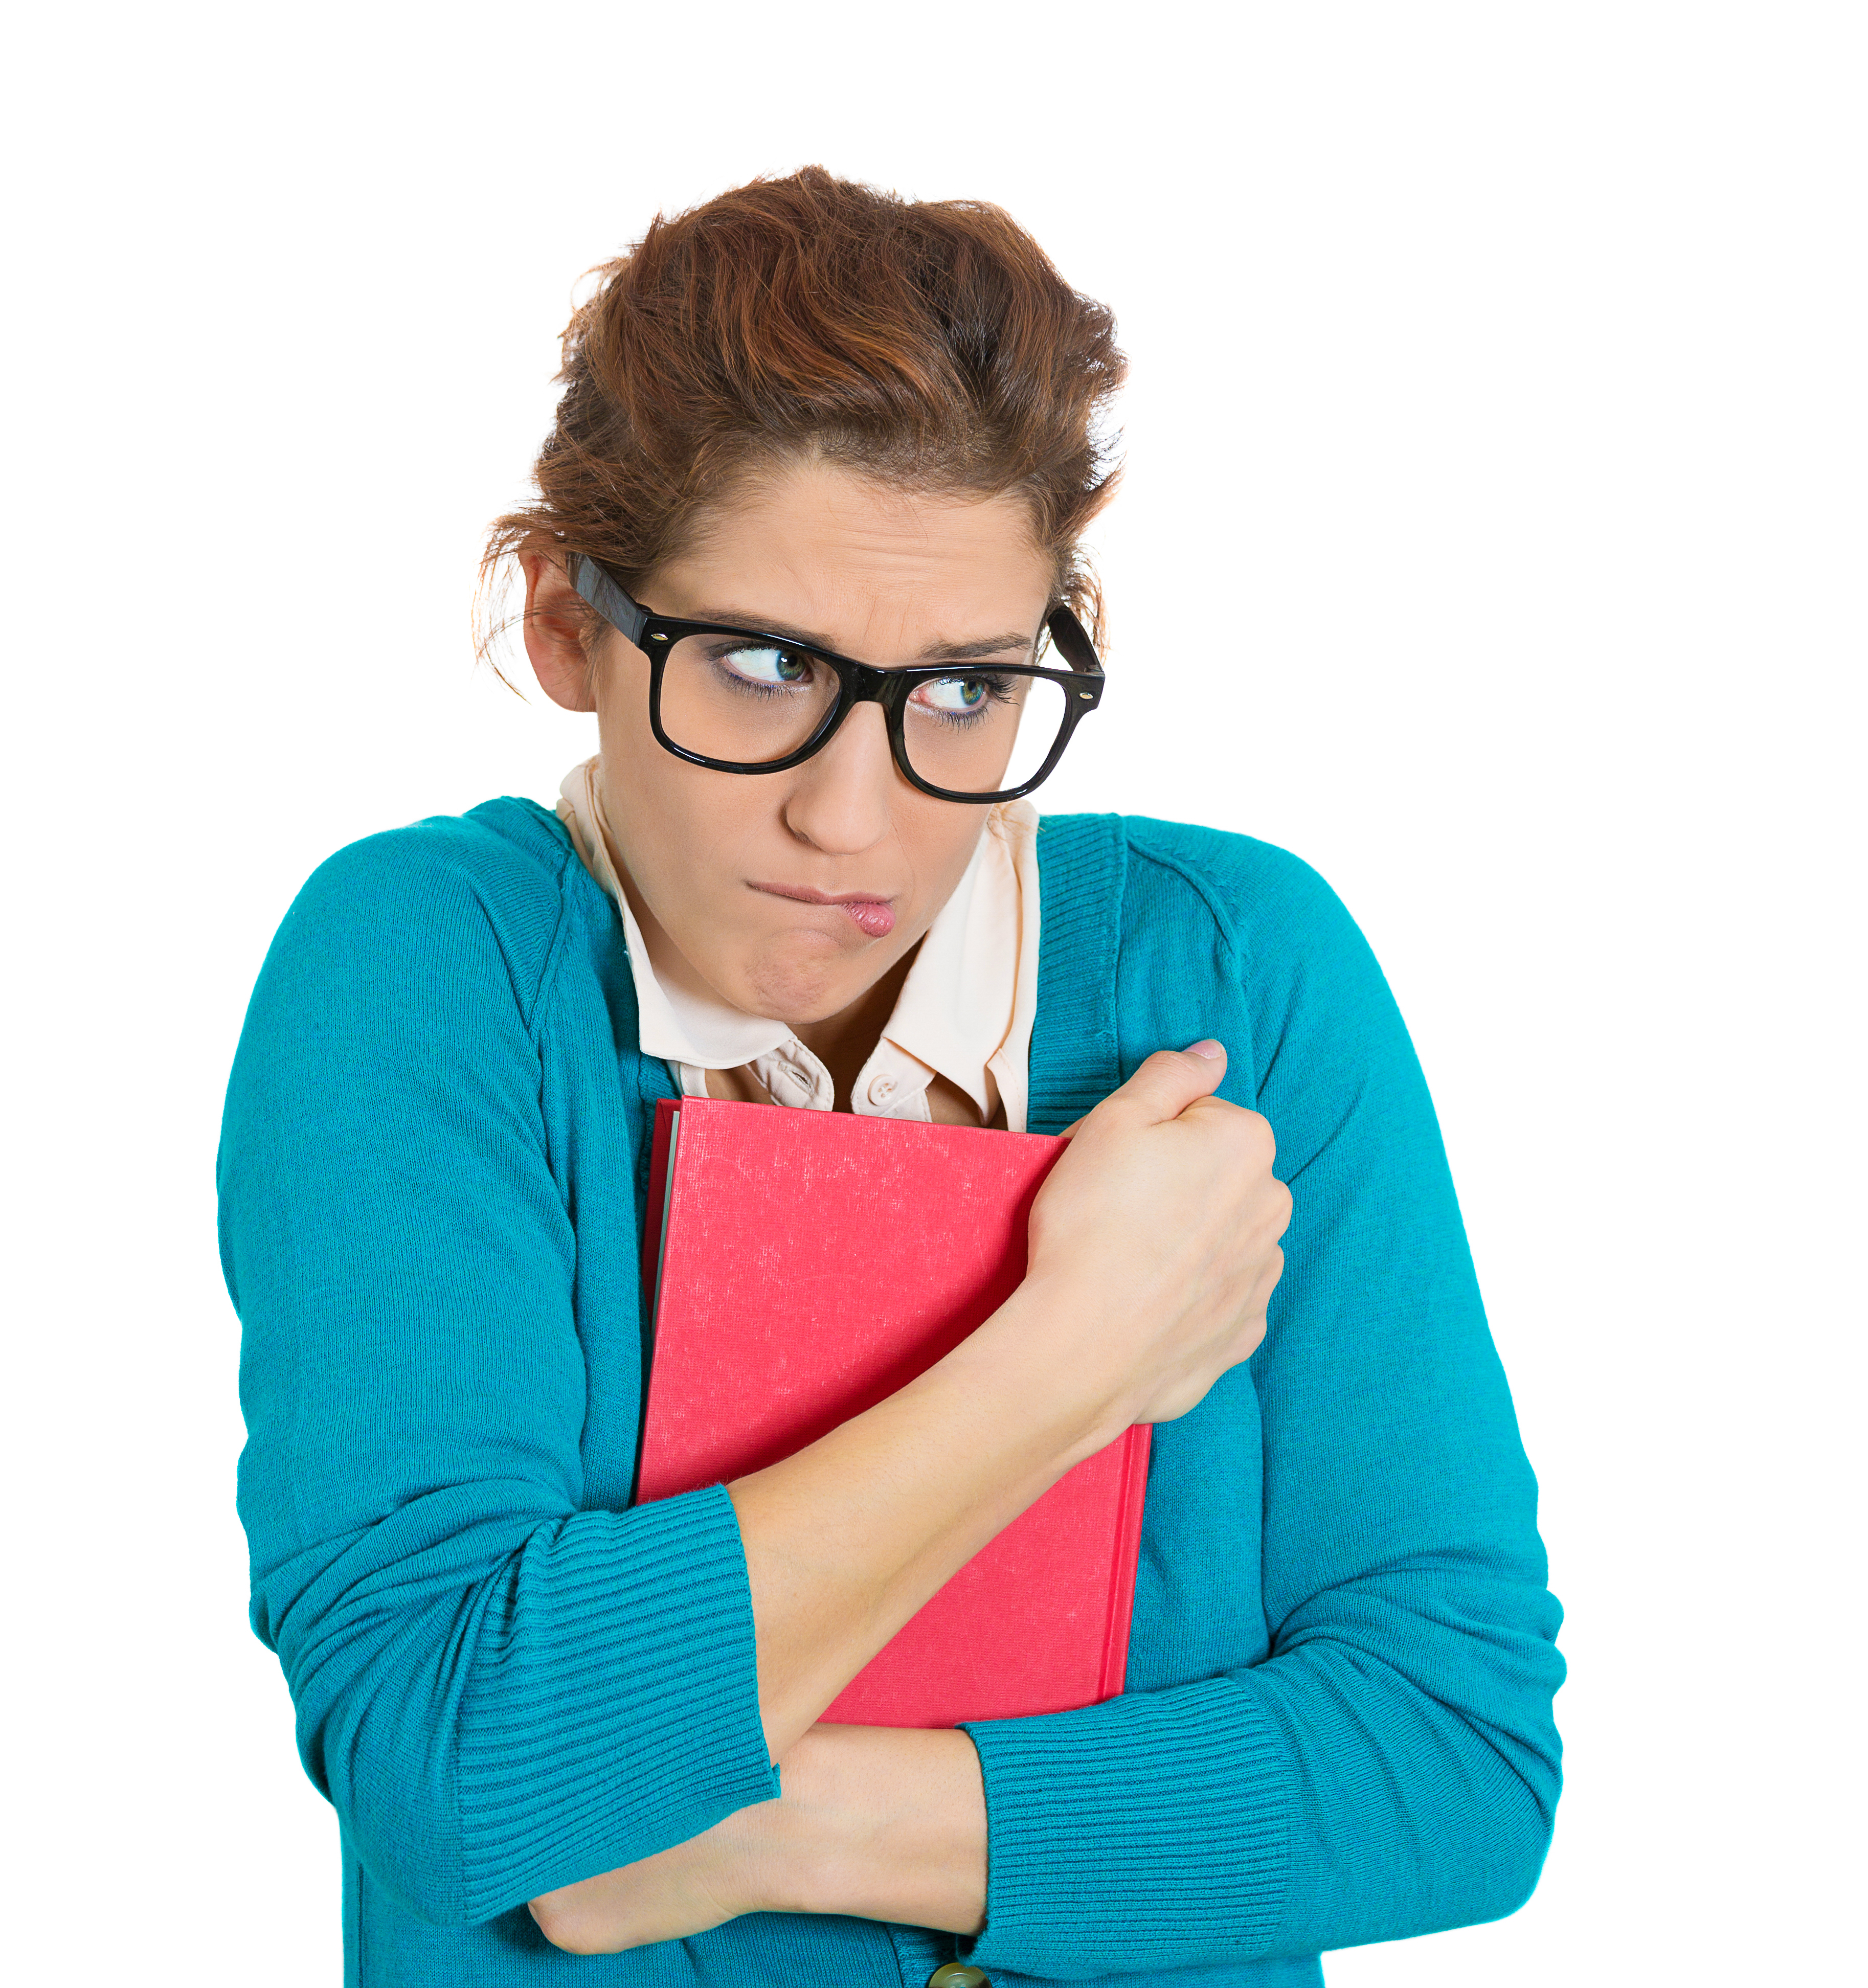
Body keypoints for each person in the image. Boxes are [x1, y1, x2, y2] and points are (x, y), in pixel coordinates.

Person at [219, 167, 1563, 1988]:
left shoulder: (1230, 969)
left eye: (962, 692)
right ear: (564, 623)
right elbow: (457, 1765)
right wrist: (1075, 1356)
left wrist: (763, 1827)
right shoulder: (424, 973)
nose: (851, 818)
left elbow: (1454, 1765)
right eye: (758, 666)